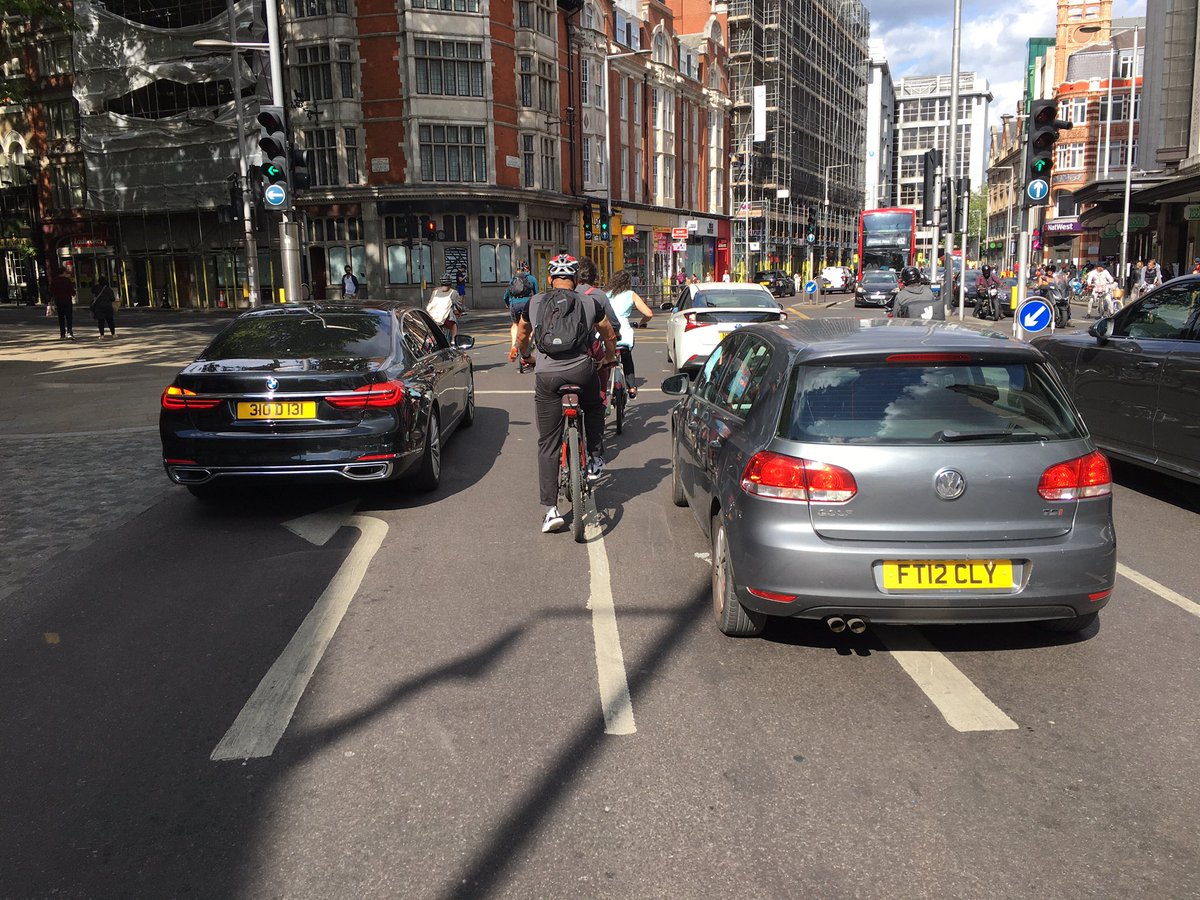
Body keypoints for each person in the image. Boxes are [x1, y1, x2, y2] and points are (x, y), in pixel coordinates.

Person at [515, 254, 619, 533]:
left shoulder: (534, 302)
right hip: (582, 371)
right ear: (575, 279)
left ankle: (551, 511)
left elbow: (523, 336)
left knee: (547, 442)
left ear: (549, 279)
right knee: (595, 406)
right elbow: (608, 332)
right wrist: (609, 357)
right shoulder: (590, 301)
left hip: (547, 376)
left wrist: (527, 357)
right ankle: (595, 459)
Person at [604, 268, 654, 398]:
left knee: (606, 359)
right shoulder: (631, 294)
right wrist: (642, 322)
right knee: (627, 358)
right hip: (624, 333)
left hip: (606, 332)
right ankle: (631, 387)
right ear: (628, 283)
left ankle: (603, 389)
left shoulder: (605, 294)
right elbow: (649, 313)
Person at [505, 260, 539, 370]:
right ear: (527, 269)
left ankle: (514, 345)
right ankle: (528, 346)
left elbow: (506, 295)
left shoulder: (513, 280)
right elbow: (537, 294)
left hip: (514, 304)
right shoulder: (532, 279)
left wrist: (508, 304)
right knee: (529, 326)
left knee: (515, 324)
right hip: (527, 304)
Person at [426, 274, 459, 341]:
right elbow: (458, 305)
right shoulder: (453, 292)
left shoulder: (435, 292)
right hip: (445, 318)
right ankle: (453, 341)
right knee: (453, 325)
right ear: (450, 282)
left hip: (431, 317)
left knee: (432, 331)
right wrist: (459, 311)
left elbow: (430, 303)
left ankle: (430, 342)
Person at [49, 267, 76, 340]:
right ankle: (69, 332)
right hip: (67, 300)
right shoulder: (67, 280)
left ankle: (62, 334)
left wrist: (50, 301)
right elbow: (73, 292)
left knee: (61, 318)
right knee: (69, 317)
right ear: (64, 272)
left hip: (58, 301)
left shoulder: (54, 281)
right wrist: (73, 293)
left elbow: (51, 291)